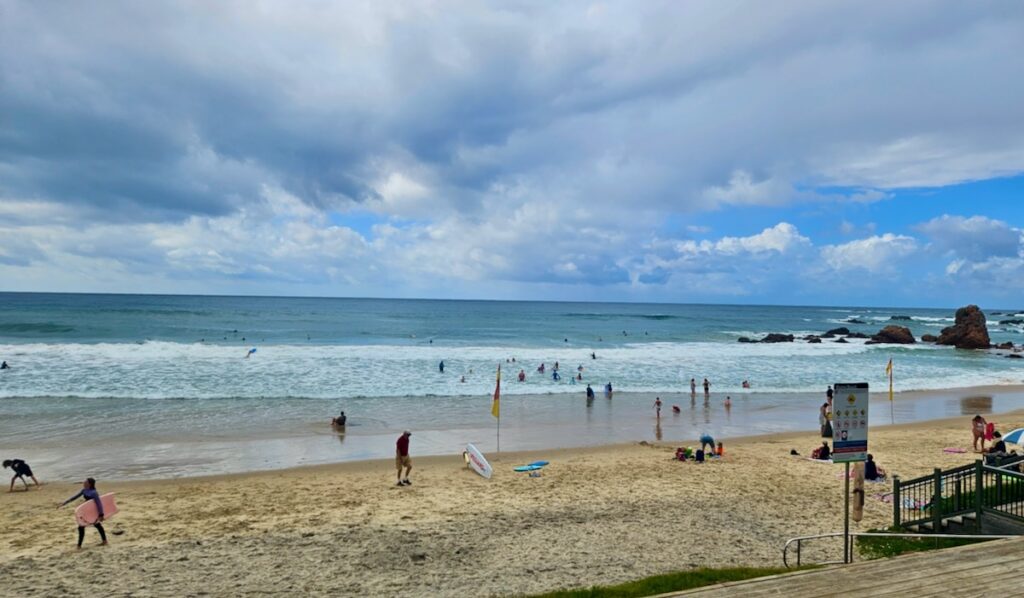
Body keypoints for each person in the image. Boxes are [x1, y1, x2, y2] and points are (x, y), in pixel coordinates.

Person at [58, 478, 107, 549]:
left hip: (92, 511)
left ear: (89, 484)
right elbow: (74, 497)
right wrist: (64, 503)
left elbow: (99, 504)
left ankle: (80, 546)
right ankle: (80, 545)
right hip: (86, 510)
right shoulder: (84, 490)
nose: (83, 482)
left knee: (95, 525)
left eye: (85, 482)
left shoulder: (94, 493)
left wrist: (101, 514)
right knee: (83, 527)